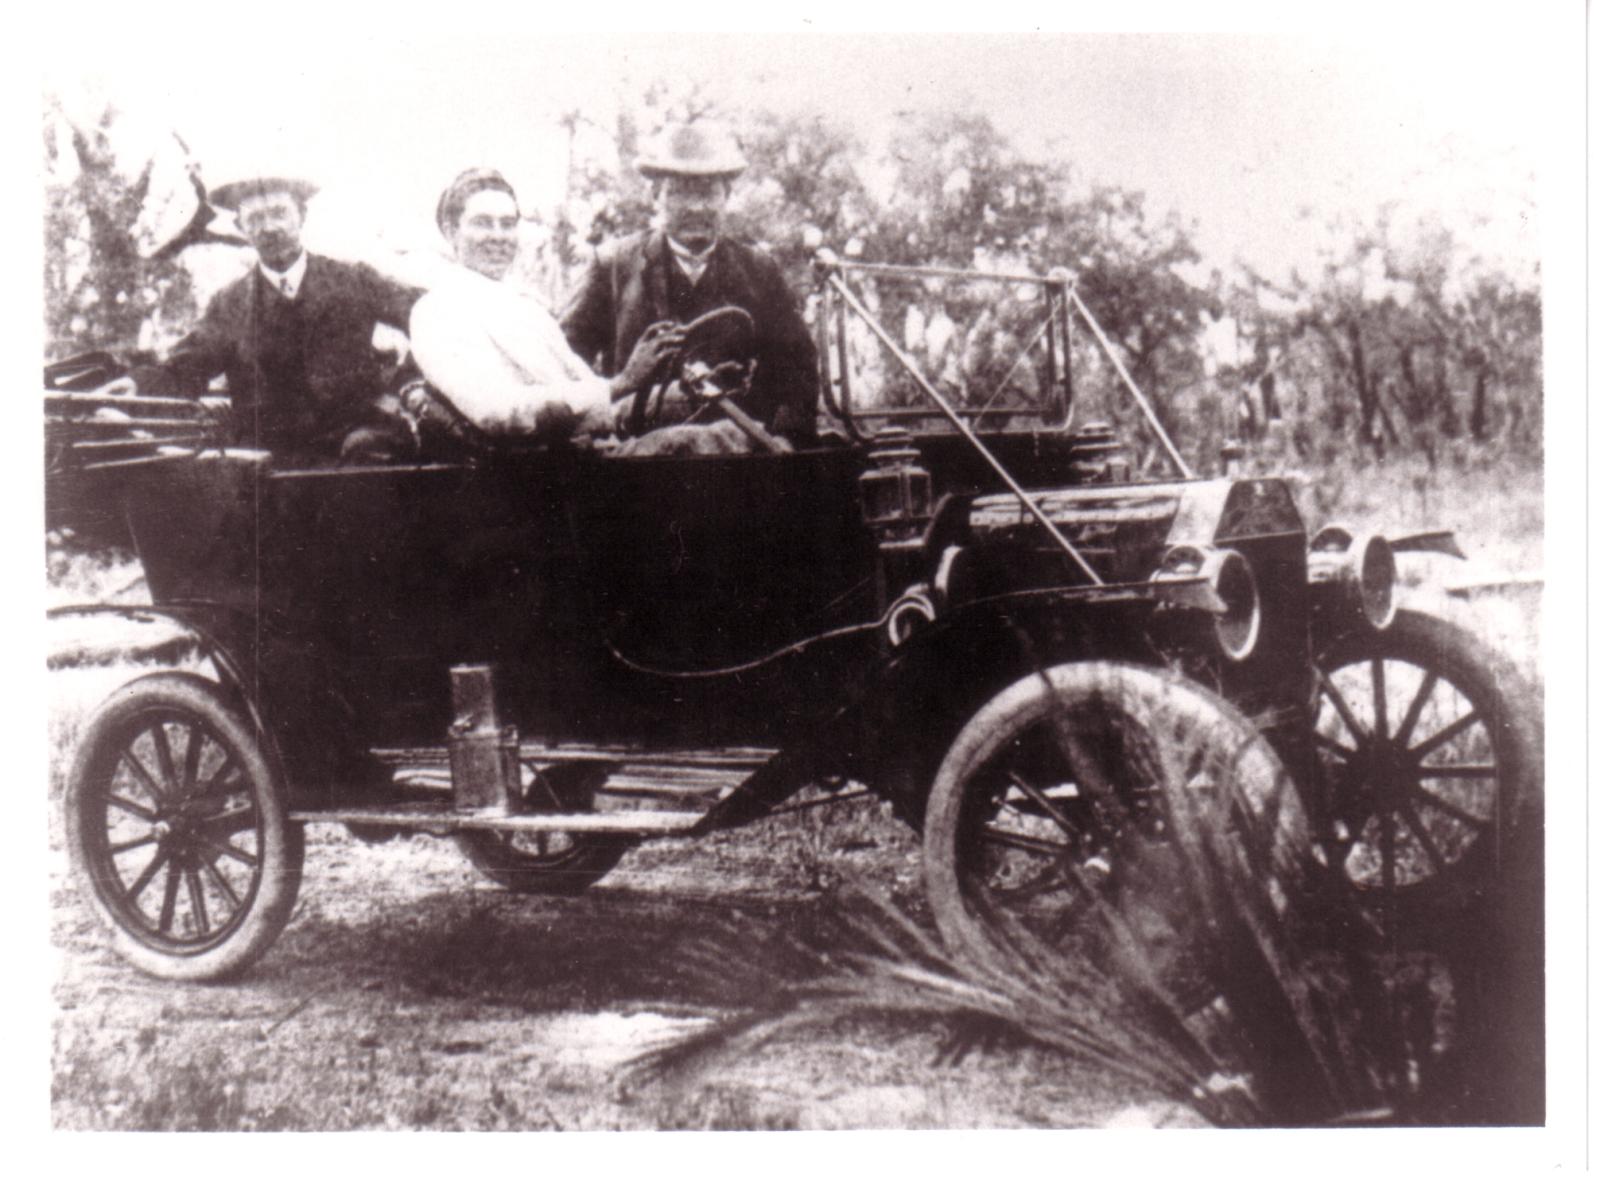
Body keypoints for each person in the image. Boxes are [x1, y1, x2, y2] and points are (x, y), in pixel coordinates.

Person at [560, 119, 820, 450]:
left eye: (708, 193)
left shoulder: (759, 270)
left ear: (726, 196)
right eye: (681, 193)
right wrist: (593, 430)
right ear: (656, 195)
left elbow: (797, 368)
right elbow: (563, 363)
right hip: (636, 464)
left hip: (738, 460)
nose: (696, 207)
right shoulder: (612, 266)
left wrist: (786, 437)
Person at [127, 173, 422, 464]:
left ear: (301, 217)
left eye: (280, 213)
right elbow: (183, 368)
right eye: (255, 219)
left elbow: (430, 319)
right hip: (271, 464)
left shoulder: (352, 280)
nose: (269, 228)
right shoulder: (230, 304)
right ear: (242, 227)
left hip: (357, 446)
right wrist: (135, 386)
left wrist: (406, 386)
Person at [407, 167, 673, 442]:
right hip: (538, 472)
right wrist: (622, 383)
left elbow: (591, 394)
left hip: (590, 451)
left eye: (507, 224)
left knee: (702, 414)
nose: (498, 236)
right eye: (483, 223)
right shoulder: (438, 311)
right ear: (451, 232)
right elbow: (497, 411)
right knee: (707, 444)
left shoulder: (526, 307)